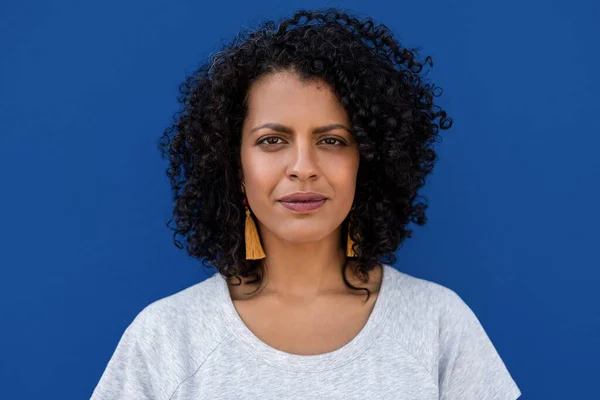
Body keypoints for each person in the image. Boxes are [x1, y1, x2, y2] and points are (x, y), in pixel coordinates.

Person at [91, 7, 521, 399]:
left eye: (331, 140)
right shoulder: (167, 337)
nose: (303, 167)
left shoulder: (438, 324)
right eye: (272, 140)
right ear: (234, 164)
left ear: (366, 161)